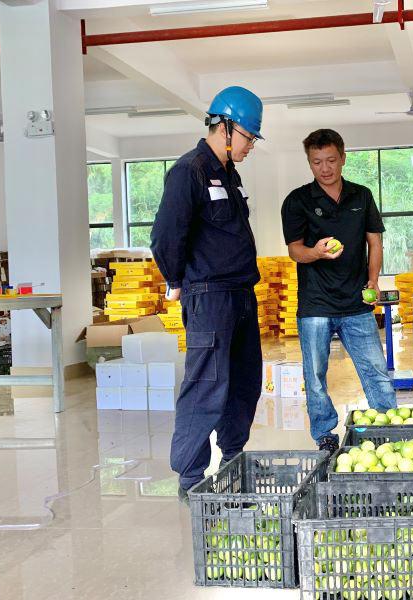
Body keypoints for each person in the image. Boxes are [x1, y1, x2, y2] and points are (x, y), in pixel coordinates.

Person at [150, 86, 264, 502]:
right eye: (249, 137)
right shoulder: (189, 171)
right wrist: (176, 280)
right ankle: (192, 476)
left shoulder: (228, 173)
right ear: (227, 127)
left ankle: (233, 456)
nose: (251, 145)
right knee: (206, 384)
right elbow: (165, 235)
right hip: (209, 296)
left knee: (245, 380)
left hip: (240, 294)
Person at [280, 128, 397, 454]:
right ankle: (325, 435)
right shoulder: (297, 201)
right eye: (317, 162)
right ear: (310, 162)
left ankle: (388, 426)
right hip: (315, 304)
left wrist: (373, 280)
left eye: (331, 160)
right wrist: (316, 252)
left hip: (356, 303)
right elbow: (294, 251)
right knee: (315, 376)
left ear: (343, 158)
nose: (325, 168)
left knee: (375, 370)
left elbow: (374, 240)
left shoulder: (361, 196)